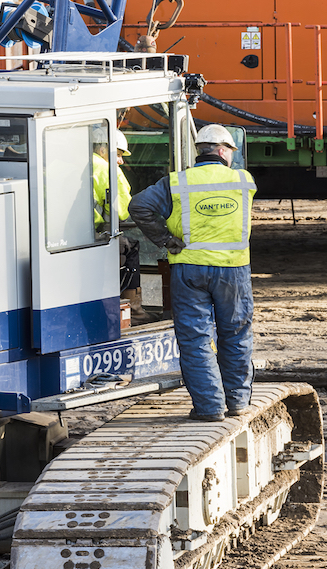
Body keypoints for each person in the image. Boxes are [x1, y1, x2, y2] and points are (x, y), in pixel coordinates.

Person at [128, 124, 257, 422]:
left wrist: (164, 239)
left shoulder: (176, 182)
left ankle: (210, 408)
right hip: (233, 271)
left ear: (200, 150)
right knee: (235, 335)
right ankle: (237, 401)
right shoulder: (244, 181)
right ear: (223, 150)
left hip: (188, 268)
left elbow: (139, 206)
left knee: (195, 339)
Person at [92, 128, 154, 323]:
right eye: (118, 155)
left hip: (62, 238)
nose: (121, 161)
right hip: (92, 238)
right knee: (131, 247)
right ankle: (134, 311)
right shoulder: (106, 170)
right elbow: (123, 212)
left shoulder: (68, 163)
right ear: (103, 150)